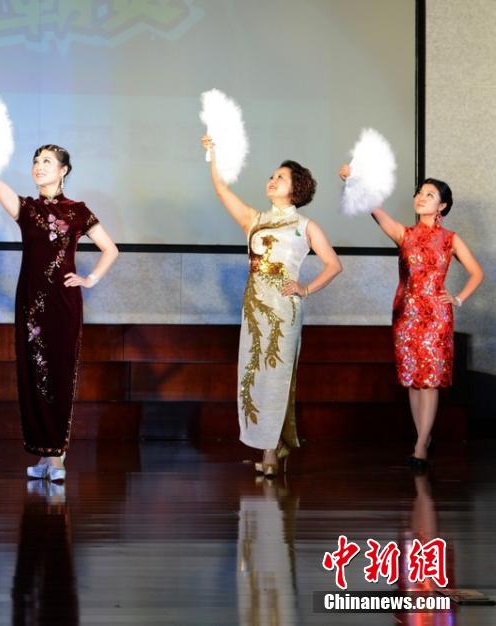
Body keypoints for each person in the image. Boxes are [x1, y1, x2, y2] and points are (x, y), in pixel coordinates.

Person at [0, 127, 119, 481]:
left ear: (63, 170)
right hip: (30, 303)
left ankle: (58, 456)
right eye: (36, 161)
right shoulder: (27, 209)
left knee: (59, 374)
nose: (39, 166)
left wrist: (90, 279)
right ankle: (44, 455)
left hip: (63, 304)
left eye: (47, 161)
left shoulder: (78, 211)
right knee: (33, 375)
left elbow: (111, 249)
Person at [202, 134, 342, 476]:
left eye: (281, 177)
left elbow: (333, 265)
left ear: (296, 188)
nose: (272, 180)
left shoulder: (305, 226)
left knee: (277, 375)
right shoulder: (255, 219)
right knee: (254, 374)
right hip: (254, 308)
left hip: (284, 311)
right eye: (272, 175)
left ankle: (270, 450)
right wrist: (213, 154)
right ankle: (270, 443)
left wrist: (305, 289)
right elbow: (221, 189)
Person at [340, 165, 483, 471]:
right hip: (406, 315)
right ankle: (424, 437)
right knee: (413, 382)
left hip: (436, 318)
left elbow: (477, 272)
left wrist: (457, 298)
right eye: (420, 192)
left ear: (442, 206)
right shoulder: (403, 234)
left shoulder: (450, 239)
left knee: (429, 381)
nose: (421, 197)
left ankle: (419, 447)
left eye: (429, 195)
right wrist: (354, 180)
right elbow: (374, 209)